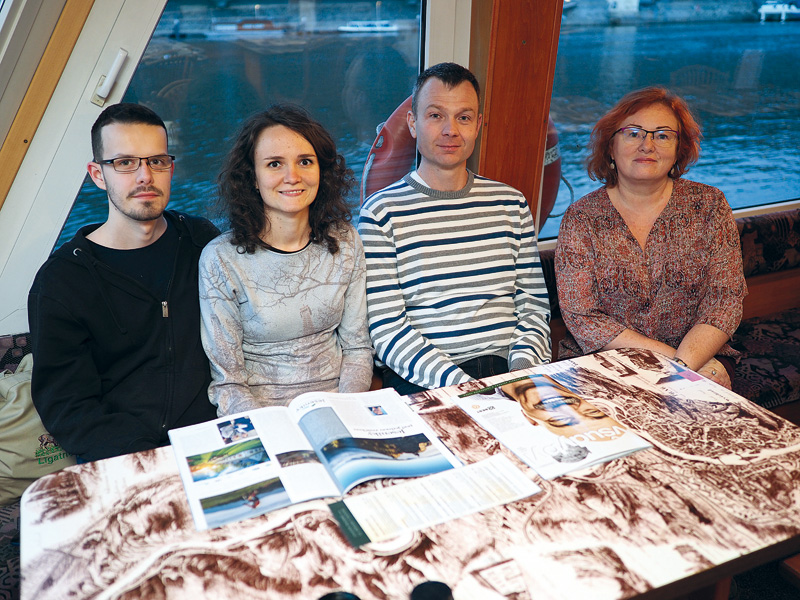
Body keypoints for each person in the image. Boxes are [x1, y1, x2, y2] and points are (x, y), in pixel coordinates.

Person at [28, 103, 219, 462]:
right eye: (125, 162)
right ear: (98, 175)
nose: (145, 176)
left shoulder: (202, 243)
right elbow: (68, 407)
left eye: (156, 161)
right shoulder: (62, 282)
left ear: (170, 168)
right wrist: (149, 460)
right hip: (126, 458)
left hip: (218, 439)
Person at [358, 62, 551, 395]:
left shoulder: (511, 203)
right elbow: (387, 329)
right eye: (436, 116)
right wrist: (465, 387)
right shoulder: (380, 214)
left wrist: (520, 373)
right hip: (425, 379)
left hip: (510, 368)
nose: (450, 130)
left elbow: (533, 306)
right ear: (413, 123)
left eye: (463, 117)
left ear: (478, 126)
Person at [555, 87, 746, 389]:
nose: (647, 145)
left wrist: (687, 365)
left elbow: (725, 299)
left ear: (678, 149)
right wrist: (678, 365)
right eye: (633, 133)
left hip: (699, 353)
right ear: (610, 146)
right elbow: (583, 316)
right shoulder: (581, 218)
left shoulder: (710, 205)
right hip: (606, 361)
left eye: (662, 135)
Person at [199, 105, 372, 415]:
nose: (292, 177)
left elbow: (357, 350)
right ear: (253, 177)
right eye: (274, 164)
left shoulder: (346, 240)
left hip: (340, 406)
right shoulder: (220, 259)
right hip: (262, 415)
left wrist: (348, 414)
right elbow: (228, 383)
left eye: (305, 161)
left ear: (321, 170)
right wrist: (270, 429)